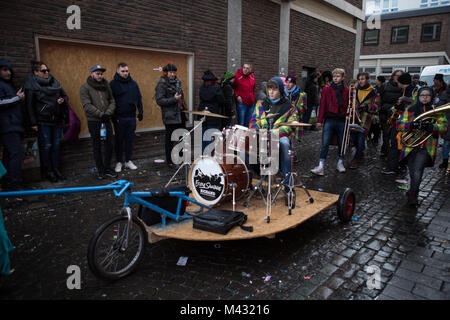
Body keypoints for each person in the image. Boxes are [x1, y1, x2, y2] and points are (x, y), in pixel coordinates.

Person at [249, 76, 302, 204]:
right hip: (262, 136)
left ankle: (288, 185)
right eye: (269, 89)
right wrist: (260, 131)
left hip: (280, 137)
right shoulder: (261, 103)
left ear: (280, 90)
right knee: (246, 147)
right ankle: (251, 180)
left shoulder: (289, 106)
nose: (271, 92)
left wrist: (275, 133)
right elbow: (253, 122)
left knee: (284, 144)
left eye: (274, 89)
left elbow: (291, 125)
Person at [396, 86, 448, 206]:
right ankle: (412, 191)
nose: (424, 98)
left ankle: (413, 195)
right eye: (422, 95)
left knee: (418, 171)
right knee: (413, 171)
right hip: (409, 146)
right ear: (418, 97)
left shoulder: (436, 111)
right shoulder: (410, 109)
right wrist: (411, 125)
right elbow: (399, 125)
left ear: (431, 97)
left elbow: (444, 127)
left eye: (427, 95)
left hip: (426, 146)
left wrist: (432, 127)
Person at [24, 60, 68, 182]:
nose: (47, 72)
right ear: (36, 72)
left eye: (48, 70)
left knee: (57, 146)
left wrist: (61, 100)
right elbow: (29, 106)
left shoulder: (54, 82)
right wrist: (33, 123)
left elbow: (64, 96)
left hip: (56, 119)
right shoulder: (31, 85)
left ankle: (56, 169)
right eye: (43, 71)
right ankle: (49, 171)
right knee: (47, 146)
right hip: (43, 121)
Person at [79, 64, 117, 179]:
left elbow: (112, 101)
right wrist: (101, 115)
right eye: (97, 73)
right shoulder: (84, 87)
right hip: (94, 121)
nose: (100, 76)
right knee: (97, 146)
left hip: (106, 120)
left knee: (109, 145)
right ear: (92, 74)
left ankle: (107, 168)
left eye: (101, 74)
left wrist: (108, 113)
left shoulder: (106, 86)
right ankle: (100, 170)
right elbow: (87, 105)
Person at [311, 68, 349, 176]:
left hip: (341, 119)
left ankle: (340, 162)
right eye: (334, 76)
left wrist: (348, 115)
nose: (336, 78)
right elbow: (322, 105)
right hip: (330, 119)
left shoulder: (346, 90)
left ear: (342, 78)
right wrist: (319, 120)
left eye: (338, 76)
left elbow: (348, 105)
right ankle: (321, 165)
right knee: (325, 142)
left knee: (342, 142)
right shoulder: (327, 90)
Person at [109, 62, 143, 173]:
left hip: (131, 117)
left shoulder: (133, 84)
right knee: (119, 140)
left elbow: (139, 98)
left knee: (129, 140)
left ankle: (128, 161)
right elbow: (109, 101)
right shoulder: (113, 84)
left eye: (126, 71)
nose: (125, 73)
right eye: (123, 71)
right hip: (119, 118)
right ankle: (119, 162)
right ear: (118, 71)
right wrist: (114, 117)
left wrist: (140, 112)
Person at [381, 73, 415, 177]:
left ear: (401, 82)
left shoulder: (412, 91)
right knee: (398, 144)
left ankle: (393, 168)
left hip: (403, 123)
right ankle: (399, 166)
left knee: (395, 145)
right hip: (399, 121)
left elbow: (412, 106)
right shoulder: (406, 90)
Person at [155, 62, 187, 167]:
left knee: (182, 137)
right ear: (166, 73)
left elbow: (182, 98)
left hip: (180, 114)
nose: (172, 74)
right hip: (170, 116)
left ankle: (181, 159)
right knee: (170, 139)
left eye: (174, 72)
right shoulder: (162, 84)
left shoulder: (178, 82)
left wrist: (185, 110)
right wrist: (174, 99)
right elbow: (160, 101)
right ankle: (170, 161)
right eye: (170, 72)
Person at [0, 59, 25, 191]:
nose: (8, 72)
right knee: (16, 154)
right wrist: (17, 98)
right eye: (4, 70)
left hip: (13, 125)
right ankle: (15, 185)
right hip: (7, 126)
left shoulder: (7, 85)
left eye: (9, 70)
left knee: (9, 155)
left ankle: (7, 183)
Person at [349, 72, 380, 169]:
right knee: (353, 138)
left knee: (361, 138)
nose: (360, 81)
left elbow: (377, 107)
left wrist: (367, 107)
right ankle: (360, 150)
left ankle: (356, 159)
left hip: (365, 119)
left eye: (362, 79)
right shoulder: (355, 90)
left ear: (367, 79)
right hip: (354, 117)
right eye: (359, 79)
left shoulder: (374, 92)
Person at [198, 70, 225, 153]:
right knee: (212, 138)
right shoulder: (217, 88)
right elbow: (222, 101)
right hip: (214, 115)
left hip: (202, 114)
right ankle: (210, 158)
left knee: (203, 138)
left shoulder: (202, 88)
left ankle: (203, 156)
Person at [379, 70, 403, 158]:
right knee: (386, 134)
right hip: (385, 113)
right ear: (393, 76)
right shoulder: (385, 86)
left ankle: (393, 153)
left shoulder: (403, 88)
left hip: (397, 114)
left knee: (395, 135)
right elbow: (380, 99)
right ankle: (386, 150)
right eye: (397, 75)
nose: (398, 77)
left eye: (400, 76)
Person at [437, 84, 450, 169]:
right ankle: (445, 161)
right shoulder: (446, 93)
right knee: (446, 143)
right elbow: (439, 106)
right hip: (448, 120)